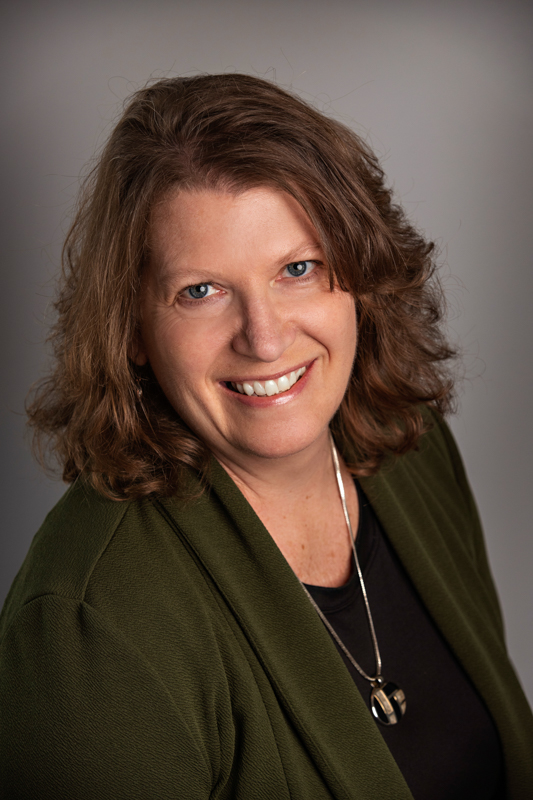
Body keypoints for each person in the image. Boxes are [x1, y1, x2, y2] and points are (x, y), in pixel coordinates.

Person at [0, 73, 531, 800]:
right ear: (132, 333)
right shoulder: (87, 627)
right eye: (200, 291)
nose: (264, 336)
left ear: (357, 274)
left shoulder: (411, 448)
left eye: (297, 269)